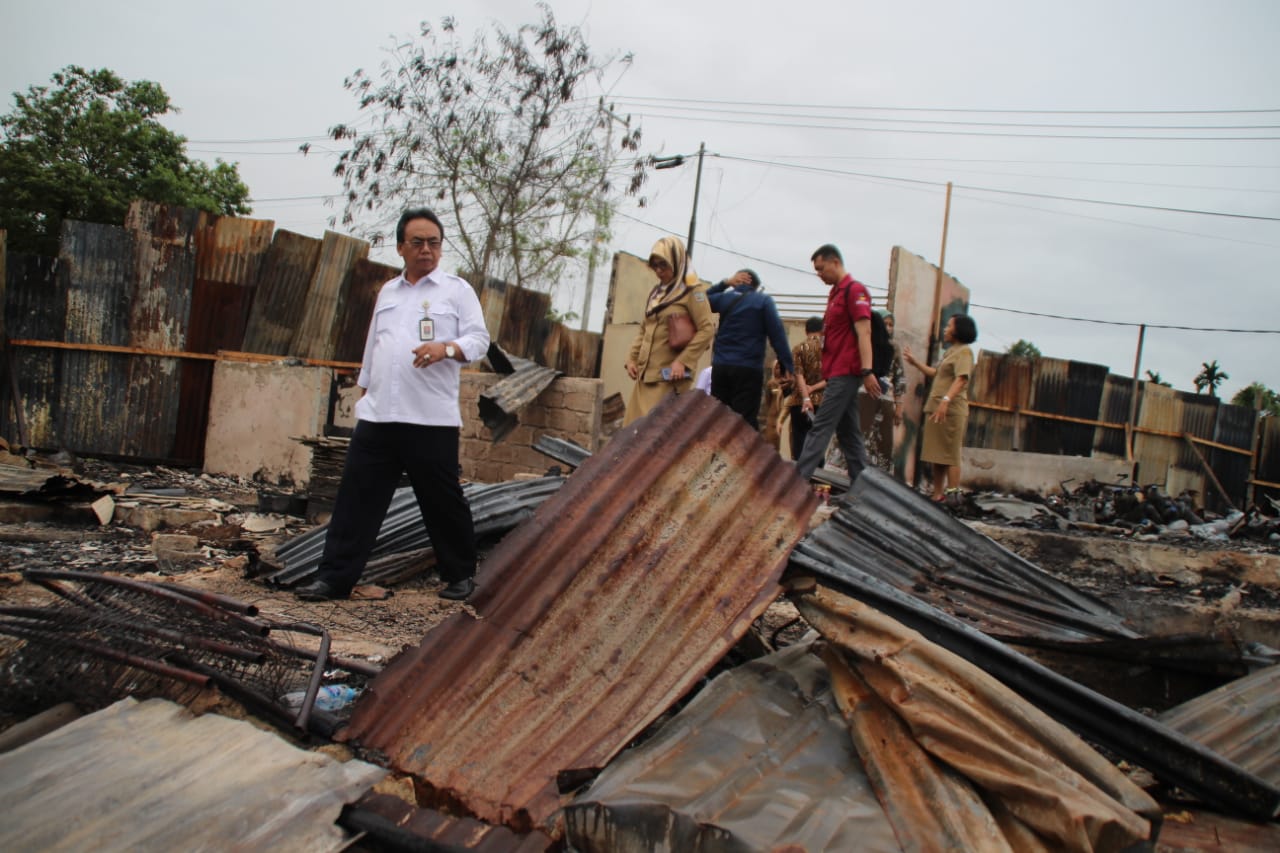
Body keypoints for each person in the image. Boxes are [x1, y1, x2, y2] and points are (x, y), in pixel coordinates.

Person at [296, 208, 491, 602]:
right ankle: (333, 579)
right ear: (401, 247)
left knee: (442, 502)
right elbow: (374, 345)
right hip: (380, 415)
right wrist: (364, 389)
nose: (426, 250)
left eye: (433, 242)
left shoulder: (456, 290)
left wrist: (446, 348)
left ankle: (460, 577)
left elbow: (479, 340)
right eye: (417, 242)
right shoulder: (388, 291)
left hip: (429, 418)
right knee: (356, 501)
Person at [794, 244, 882, 482]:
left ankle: (796, 483)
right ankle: (862, 486)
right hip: (835, 372)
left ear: (835, 263)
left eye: (821, 269)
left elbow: (865, 332)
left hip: (846, 372)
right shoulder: (836, 294)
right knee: (849, 434)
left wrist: (867, 370)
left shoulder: (855, 291)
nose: (819, 274)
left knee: (820, 428)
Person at [624, 236, 715, 425]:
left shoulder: (693, 292)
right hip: (645, 378)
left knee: (653, 436)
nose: (658, 271)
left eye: (663, 265)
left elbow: (707, 330)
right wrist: (632, 358)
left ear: (676, 261)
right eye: (655, 265)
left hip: (668, 380)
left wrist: (682, 362)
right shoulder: (657, 294)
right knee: (631, 435)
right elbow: (645, 328)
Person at [706, 269, 795, 429]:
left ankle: (716, 452)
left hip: (721, 367)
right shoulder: (763, 301)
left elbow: (700, 300)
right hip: (748, 369)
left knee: (718, 418)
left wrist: (725, 283)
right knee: (744, 422)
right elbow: (777, 334)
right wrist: (786, 364)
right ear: (755, 285)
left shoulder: (723, 298)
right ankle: (741, 453)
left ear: (737, 282)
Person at [904, 313, 978, 502]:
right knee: (937, 453)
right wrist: (915, 362)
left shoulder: (964, 352)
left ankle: (952, 495)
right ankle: (938, 494)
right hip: (937, 407)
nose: (945, 329)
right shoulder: (951, 351)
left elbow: (961, 379)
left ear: (959, 330)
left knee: (950, 453)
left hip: (950, 410)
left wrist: (946, 400)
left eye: (949, 326)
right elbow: (936, 374)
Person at [787, 316, 825, 461]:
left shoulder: (798, 348)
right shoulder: (828, 351)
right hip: (821, 401)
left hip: (799, 401)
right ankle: (819, 479)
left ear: (806, 331)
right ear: (822, 331)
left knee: (799, 439)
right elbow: (831, 378)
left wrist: (805, 396)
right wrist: (813, 388)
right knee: (817, 441)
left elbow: (798, 374)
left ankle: (800, 477)